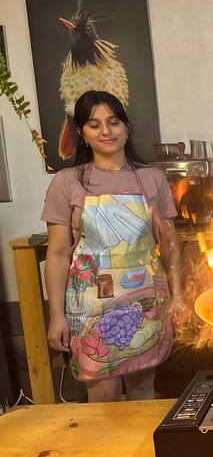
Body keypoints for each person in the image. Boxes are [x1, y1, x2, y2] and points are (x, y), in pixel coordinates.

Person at [43, 90, 181, 402]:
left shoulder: (152, 178)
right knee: (103, 399)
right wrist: (56, 316)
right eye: (94, 125)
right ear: (82, 134)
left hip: (145, 300)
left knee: (143, 390)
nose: (106, 131)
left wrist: (180, 296)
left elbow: (170, 245)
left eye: (114, 122)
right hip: (90, 307)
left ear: (126, 128)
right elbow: (58, 254)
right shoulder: (67, 182)